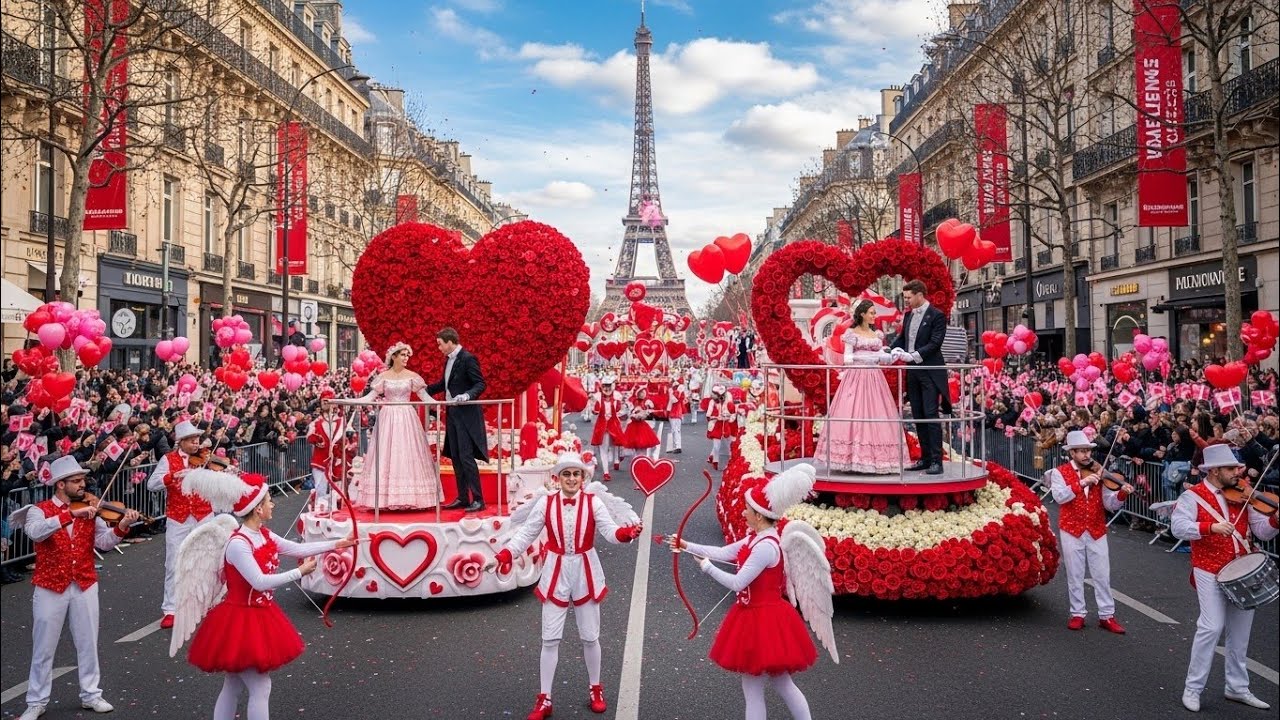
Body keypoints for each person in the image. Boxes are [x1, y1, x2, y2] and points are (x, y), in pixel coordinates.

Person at [172, 468, 356, 720]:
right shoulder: (238, 544)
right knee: (260, 686)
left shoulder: (263, 535)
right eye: (269, 500)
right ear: (258, 508)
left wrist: (336, 544)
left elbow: (295, 547)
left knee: (234, 685)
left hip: (256, 615)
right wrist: (299, 572)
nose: (273, 505)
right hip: (241, 620)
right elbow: (259, 582)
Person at [665, 463, 836, 720]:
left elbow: (737, 582)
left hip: (765, 619)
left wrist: (706, 567)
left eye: (747, 509)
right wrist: (687, 545)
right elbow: (724, 552)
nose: (743, 513)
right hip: (755, 615)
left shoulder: (766, 546)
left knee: (777, 685)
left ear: (758, 515)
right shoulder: (755, 538)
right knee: (763, 686)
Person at [487, 452, 643, 719]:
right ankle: (545, 698)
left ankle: (595, 688)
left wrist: (625, 533)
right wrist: (505, 555)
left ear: (583, 478)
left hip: (586, 571)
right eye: (567, 474)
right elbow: (526, 533)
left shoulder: (594, 503)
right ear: (557, 478)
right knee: (550, 638)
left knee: (590, 635)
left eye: (576, 474)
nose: (572, 479)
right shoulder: (546, 504)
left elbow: (608, 531)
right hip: (556, 571)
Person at [15, 455, 139, 720]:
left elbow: (104, 543)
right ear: (61, 484)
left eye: (83, 480)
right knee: (43, 647)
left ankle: (91, 694)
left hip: (84, 582)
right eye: (76, 481)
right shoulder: (40, 510)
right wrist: (69, 515)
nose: (83, 485)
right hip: (50, 586)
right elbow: (35, 532)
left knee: (87, 641)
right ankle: (36, 701)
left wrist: (123, 526)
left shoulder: (91, 508)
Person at [1171, 444, 1279, 713]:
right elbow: (1178, 527)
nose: (1237, 472)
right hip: (1208, 568)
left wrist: (1275, 522)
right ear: (1215, 470)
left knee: (1240, 634)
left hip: (1241, 568)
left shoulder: (1244, 494)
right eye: (1231, 468)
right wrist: (1210, 527)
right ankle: (1193, 688)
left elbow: (1262, 532)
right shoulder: (1193, 497)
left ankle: (1237, 687)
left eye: (1237, 467)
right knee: (1210, 627)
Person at [1045, 431, 1132, 634]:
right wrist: (1082, 482)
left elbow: (1110, 504)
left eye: (1087, 451)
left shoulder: (1099, 472)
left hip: (1096, 528)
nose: (1086, 455)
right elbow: (1059, 497)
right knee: (1075, 573)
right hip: (1071, 528)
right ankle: (1077, 613)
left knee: (1102, 574)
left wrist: (1121, 494)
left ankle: (1107, 615)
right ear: (1072, 453)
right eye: (1082, 451)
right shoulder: (1059, 472)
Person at [815, 301, 908, 474]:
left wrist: (893, 356)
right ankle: (851, 458)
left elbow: (882, 357)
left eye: (874, 313)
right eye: (872, 313)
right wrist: (869, 359)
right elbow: (847, 358)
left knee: (877, 414)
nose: (874, 316)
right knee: (855, 413)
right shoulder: (851, 333)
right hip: (856, 378)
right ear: (863, 314)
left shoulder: (877, 335)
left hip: (875, 379)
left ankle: (877, 459)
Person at [354, 342, 440, 510]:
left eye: (407, 355)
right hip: (388, 418)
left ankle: (412, 497)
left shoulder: (412, 376)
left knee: (408, 453)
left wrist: (445, 404)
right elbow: (369, 398)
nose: (406, 358)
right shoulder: (383, 376)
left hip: (407, 418)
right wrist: (347, 401)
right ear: (393, 357)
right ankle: (384, 498)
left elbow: (425, 397)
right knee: (387, 453)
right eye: (403, 355)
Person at [147, 420, 214, 628]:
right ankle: (171, 609)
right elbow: (151, 484)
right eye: (192, 441)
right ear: (181, 442)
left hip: (203, 514)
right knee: (174, 562)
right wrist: (171, 477)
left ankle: (204, 601)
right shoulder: (168, 460)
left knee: (206, 559)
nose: (196, 444)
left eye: (197, 440)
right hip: (178, 516)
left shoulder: (205, 458)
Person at [890, 279, 948, 475]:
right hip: (912, 372)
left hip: (930, 371)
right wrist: (888, 350)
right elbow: (902, 338)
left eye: (908, 297)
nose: (906, 301)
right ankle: (924, 458)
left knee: (931, 415)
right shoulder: (908, 315)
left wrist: (913, 355)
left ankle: (936, 461)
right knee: (918, 414)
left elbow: (935, 343)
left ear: (919, 295)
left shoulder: (937, 316)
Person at [429, 327, 489, 512]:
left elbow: (480, 383)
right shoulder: (447, 360)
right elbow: (444, 384)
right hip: (452, 413)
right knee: (455, 456)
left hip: (465, 415)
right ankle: (463, 497)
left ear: (449, 341)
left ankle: (478, 499)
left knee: (466, 456)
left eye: (440, 344)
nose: (438, 348)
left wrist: (467, 395)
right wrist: (423, 389)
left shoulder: (468, 358)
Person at [306, 389, 345, 499]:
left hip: (337, 462)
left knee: (337, 494)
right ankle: (320, 512)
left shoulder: (342, 421)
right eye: (324, 401)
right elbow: (309, 437)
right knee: (320, 491)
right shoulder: (316, 423)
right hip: (320, 462)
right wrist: (315, 439)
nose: (325, 403)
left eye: (328, 400)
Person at [586, 376, 624, 480]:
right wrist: (593, 407)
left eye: (609, 386)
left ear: (612, 386)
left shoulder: (617, 398)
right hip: (601, 426)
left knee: (616, 444)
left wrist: (623, 414)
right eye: (604, 386)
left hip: (614, 425)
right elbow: (593, 412)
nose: (607, 388)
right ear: (601, 387)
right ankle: (606, 472)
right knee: (603, 449)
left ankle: (616, 458)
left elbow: (621, 411)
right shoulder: (597, 397)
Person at [621, 386, 661, 460]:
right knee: (636, 447)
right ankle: (637, 462)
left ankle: (642, 462)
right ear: (638, 394)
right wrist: (635, 415)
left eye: (644, 392)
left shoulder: (646, 402)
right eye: (641, 392)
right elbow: (629, 414)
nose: (643, 394)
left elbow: (650, 409)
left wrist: (646, 413)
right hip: (634, 426)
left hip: (642, 426)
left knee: (643, 447)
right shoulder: (633, 402)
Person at [705, 384, 736, 470]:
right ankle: (715, 461)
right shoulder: (712, 402)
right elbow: (708, 414)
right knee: (716, 446)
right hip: (716, 425)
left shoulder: (728, 402)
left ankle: (731, 461)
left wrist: (728, 417)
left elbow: (732, 414)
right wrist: (715, 417)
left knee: (730, 445)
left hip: (725, 425)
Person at [665, 377, 688, 454]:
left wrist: (677, 391)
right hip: (675, 412)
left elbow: (674, 400)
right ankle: (674, 446)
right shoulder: (675, 392)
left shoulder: (677, 392)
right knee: (675, 430)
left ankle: (677, 446)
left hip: (675, 412)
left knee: (675, 430)